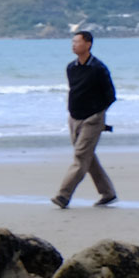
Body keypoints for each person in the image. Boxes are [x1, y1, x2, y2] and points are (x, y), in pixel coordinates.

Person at [53, 27, 118, 208]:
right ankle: (108, 193)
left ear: (88, 44)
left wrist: (98, 113)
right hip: (74, 118)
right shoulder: (71, 68)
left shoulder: (98, 68)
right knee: (87, 157)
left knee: (81, 157)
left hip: (93, 119)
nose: (74, 45)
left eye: (77, 42)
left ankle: (63, 195)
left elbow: (110, 95)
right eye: (72, 42)